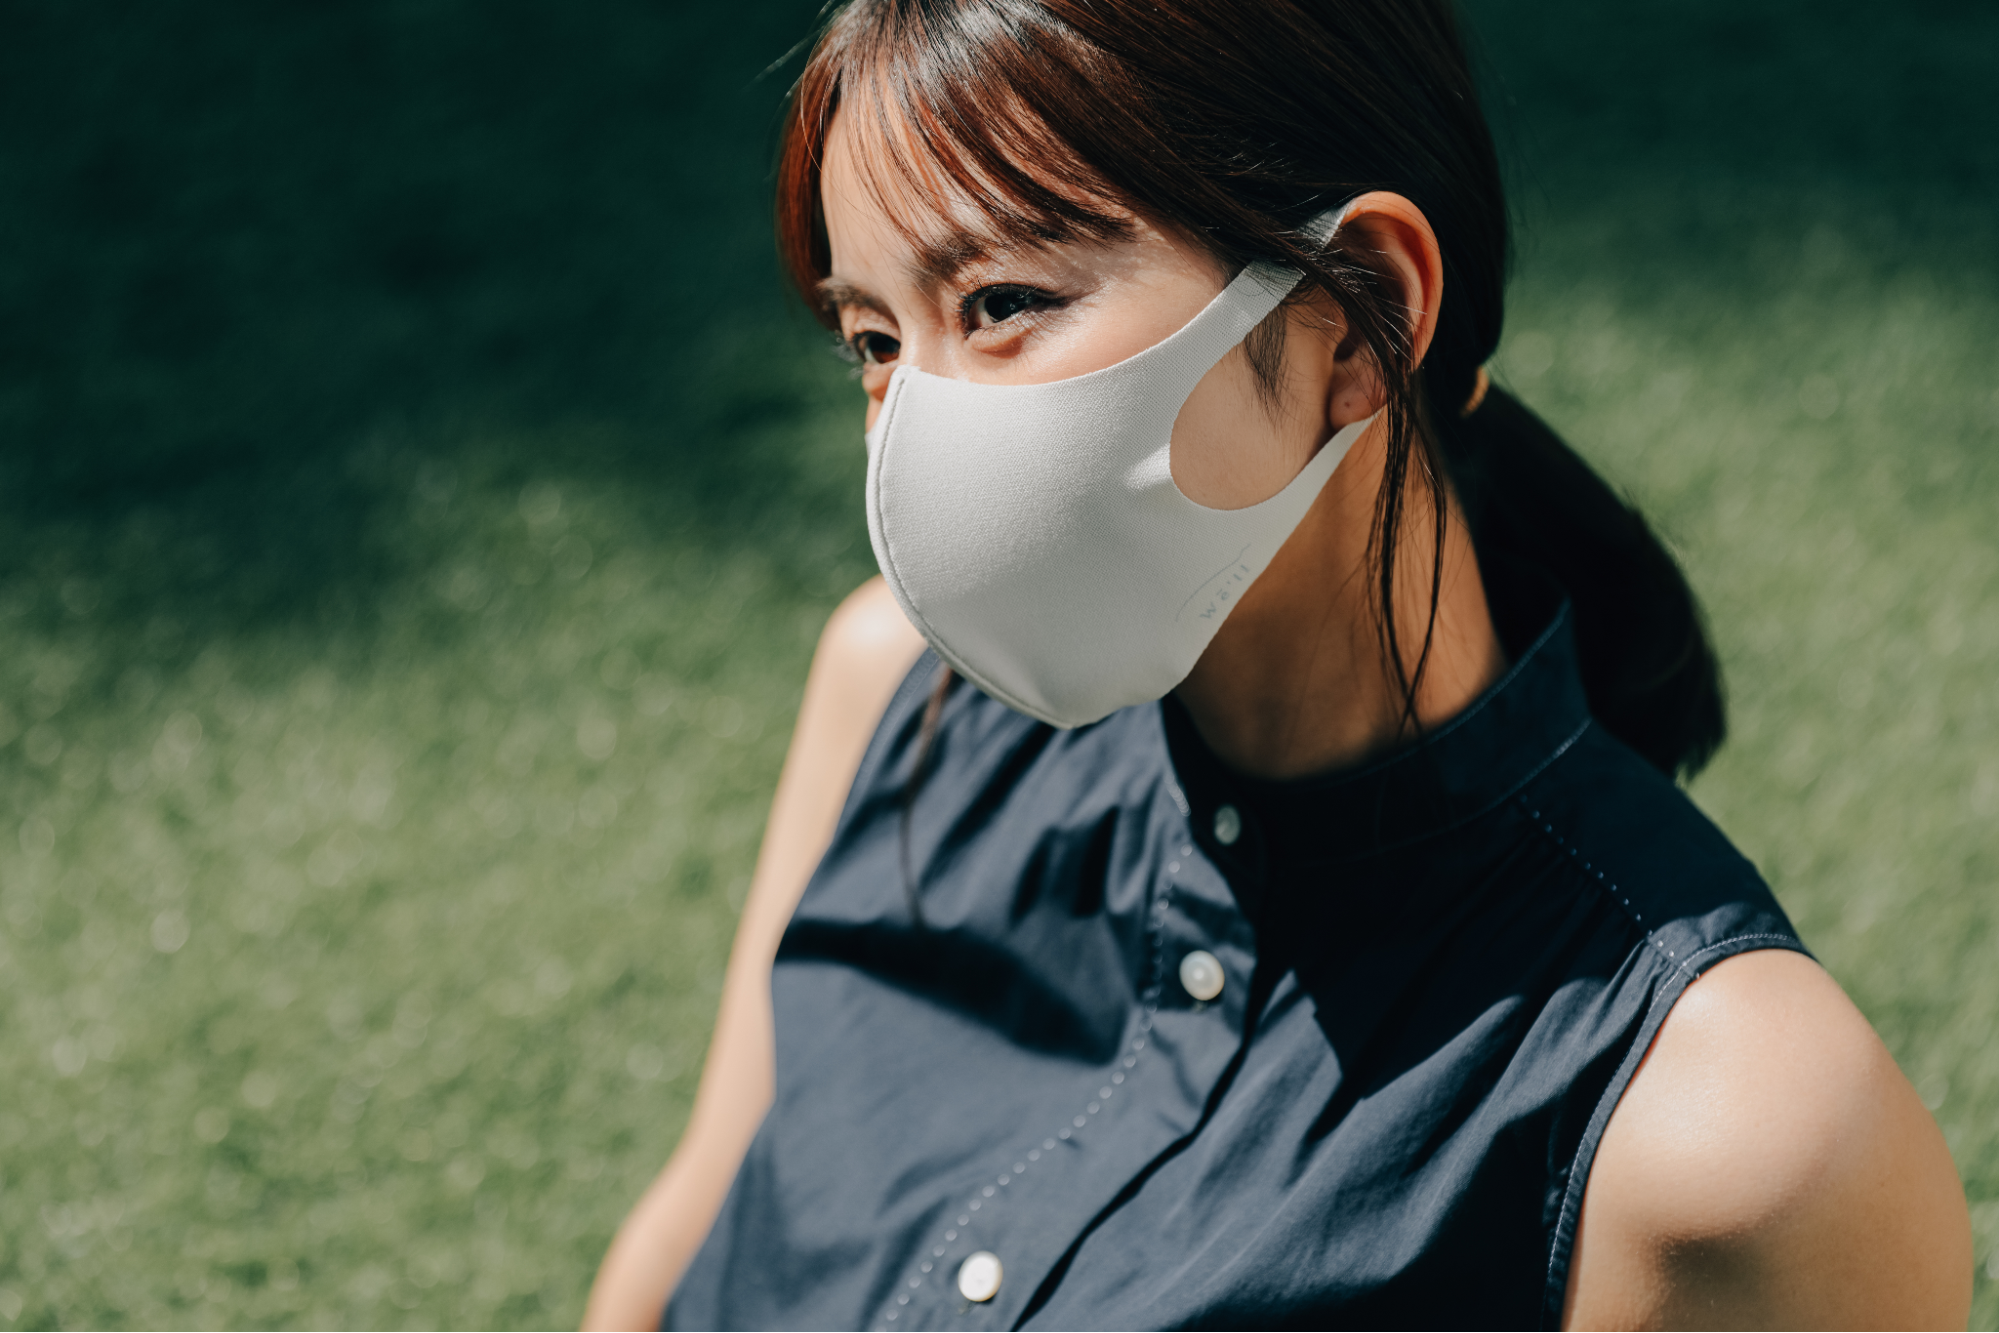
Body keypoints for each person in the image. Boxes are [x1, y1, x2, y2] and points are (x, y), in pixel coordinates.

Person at [584, 0, 1972, 1325]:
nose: (913, 443)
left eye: (1001, 300)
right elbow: (681, 1251)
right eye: (875, 342)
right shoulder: (894, 690)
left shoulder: (1729, 1142)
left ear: (1354, 316)